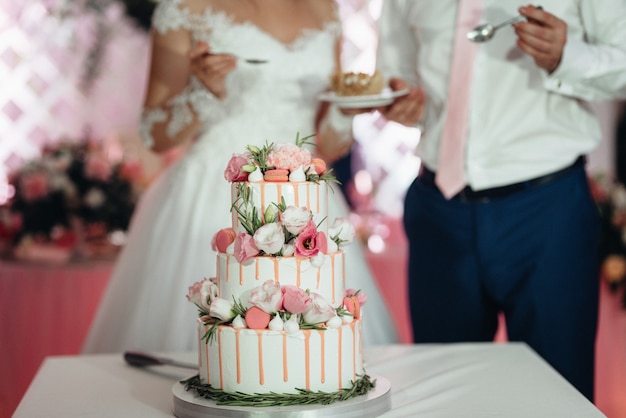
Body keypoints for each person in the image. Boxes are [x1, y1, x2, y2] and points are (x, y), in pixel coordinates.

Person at [82, 0, 399, 354]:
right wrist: (203, 91)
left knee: (316, 352)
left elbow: (328, 145)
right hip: (213, 194)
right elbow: (155, 134)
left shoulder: (324, 7)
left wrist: (345, 110)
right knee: (215, 346)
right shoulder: (184, 8)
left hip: (302, 198)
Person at [374, 1, 626, 401]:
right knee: (443, 396)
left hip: (546, 211)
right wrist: (401, 100)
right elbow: (395, 72)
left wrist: (567, 56)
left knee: (557, 397)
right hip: (438, 210)